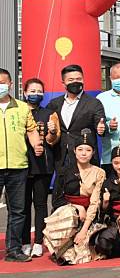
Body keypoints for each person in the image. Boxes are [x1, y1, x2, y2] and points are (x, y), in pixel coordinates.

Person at [43, 130, 106, 265]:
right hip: (68, 215)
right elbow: (56, 200)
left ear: (93, 152)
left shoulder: (99, 173)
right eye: (80, 149)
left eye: (88, 150)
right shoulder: (63, 171)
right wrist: (77, 207)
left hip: (88, 217)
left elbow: (95, 203)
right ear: (74, 151)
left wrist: (84, 230)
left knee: (81, 256)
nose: (84, 153)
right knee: (70, 213)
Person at [0, 69, 42, 263]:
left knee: (18, 211)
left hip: (18, 165)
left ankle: (14, 250)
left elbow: (31, 130)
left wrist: (37, 144)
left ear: (10, 84)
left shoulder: (23, 107)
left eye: (3, 82)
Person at [21, 78, 60, 259]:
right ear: (24, 92)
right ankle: (23, 242)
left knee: (41, 204)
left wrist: (52, 131)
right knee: (22, 206)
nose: (35, 94)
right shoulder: (19, 111)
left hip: (43, 164)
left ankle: (38, 241)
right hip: (21, 165)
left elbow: (54, 141)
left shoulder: (50, 113)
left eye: (39, 91)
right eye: (32, 90)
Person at [47, 64, 106, 170]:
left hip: (85, 159)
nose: (75, 82)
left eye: (79, 79)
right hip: (61, 158)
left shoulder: (94, 103)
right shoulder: (54, 104)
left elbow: (100, 124)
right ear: (63, 83)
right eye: (71, 79)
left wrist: (101, 128)